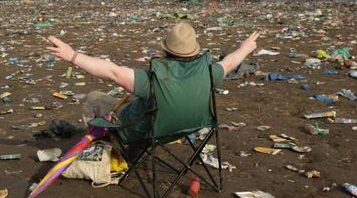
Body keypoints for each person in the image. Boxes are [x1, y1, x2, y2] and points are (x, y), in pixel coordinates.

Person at [47, 22, 259, 145]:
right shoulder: (209, 72)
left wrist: (72, 56)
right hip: (187, 128)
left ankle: (104, 145)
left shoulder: (154, 79)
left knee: (94, 98)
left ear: (166, 50)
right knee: (133, 99)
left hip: (145, 133)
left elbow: (112, 72)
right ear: (194, 50)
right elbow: (229, 62)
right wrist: (246, 47)